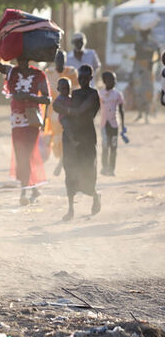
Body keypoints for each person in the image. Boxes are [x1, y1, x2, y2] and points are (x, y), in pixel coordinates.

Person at [0, 52, 50, 206]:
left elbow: (47, 98)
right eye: (18, 58)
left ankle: (24, 191)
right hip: (16, 119)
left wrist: (29, 97)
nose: (20, 61)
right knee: (21, 153)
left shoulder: (38, 74)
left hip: (32, 118)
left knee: (26, 153)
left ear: (29, 59)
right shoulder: (12, 72)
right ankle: (33, 187)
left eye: (23, 58)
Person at [54, 65, 101, 221]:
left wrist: (65, 110)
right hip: (71, 137)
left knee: (88, 170)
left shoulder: (93, 94)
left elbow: (80, 111)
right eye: (80, 78)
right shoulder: (74, 94)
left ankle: (95, 195)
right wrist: (65, 112)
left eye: (86, 78)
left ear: (91, 78)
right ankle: (71, 209)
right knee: (71, 171)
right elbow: (57, 105)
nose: (82, 80)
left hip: (87, 136)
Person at [44, 50, 78, 175]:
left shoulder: (71, 72)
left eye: (62, 58)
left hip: (68, 110)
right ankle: (62, 161)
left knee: (67, 137)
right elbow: (45, 93)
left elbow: (76, 91)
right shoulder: (49, 73)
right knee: (57, 139)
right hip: (53, 111)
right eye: (58, 58)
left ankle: (62, 163)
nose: (60, 61)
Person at [99, 71, 125, 176]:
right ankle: (104, 168)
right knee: (105, 146)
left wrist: (123, 125)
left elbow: (121, 110)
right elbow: (96, 108)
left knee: (113, 147)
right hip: (104, 125)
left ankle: (112, 168)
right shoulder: (100, 94)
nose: (114, 82)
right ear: (105, 81)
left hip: (114, 124)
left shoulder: (117, 94)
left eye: (115, 80)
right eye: (111, 80)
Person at [131, 29, 159, 122]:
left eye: (145, 33)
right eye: (142, 33)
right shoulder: (138, 43)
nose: (143, 35)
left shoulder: (153, 43)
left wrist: (153, 62)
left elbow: (158, 56)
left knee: (148, 91)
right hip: (139, 68)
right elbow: (137, 54)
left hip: (149, 69)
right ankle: (140, 113)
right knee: (138, 91)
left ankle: (147, 115)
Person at [53, 78, 79, 148]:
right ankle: (73, 140)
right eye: (63, 89)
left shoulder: (70, 97)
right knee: (67, 126)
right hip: (63, 118)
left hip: (70, 117)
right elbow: (55, 106)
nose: (66, 91)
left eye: (67, 88)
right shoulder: (59, 99)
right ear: (58, 89)